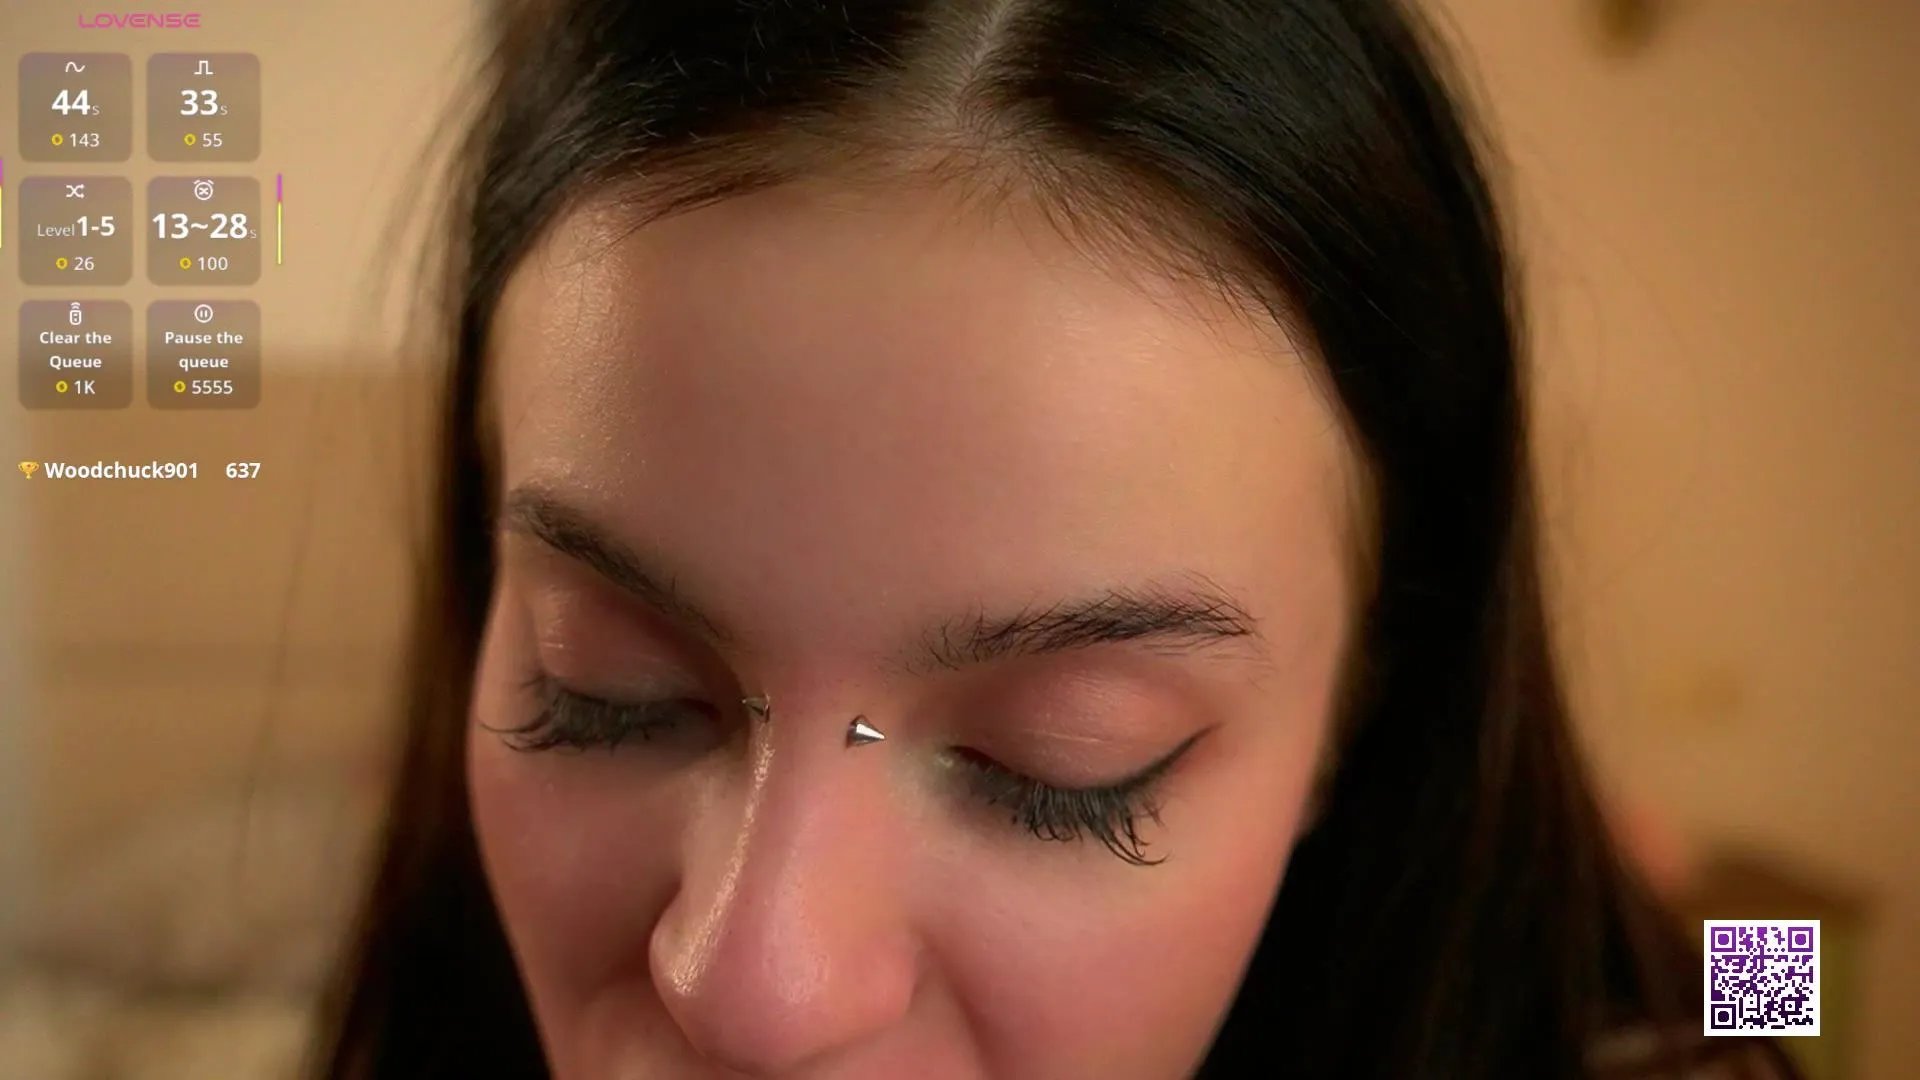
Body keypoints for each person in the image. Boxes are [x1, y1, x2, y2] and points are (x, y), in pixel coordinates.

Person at [311, 0, 1800, 1076]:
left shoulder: (1691, 1001)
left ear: (1368, 699)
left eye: (1059, 769)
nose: (755, 991)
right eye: (608, 692)